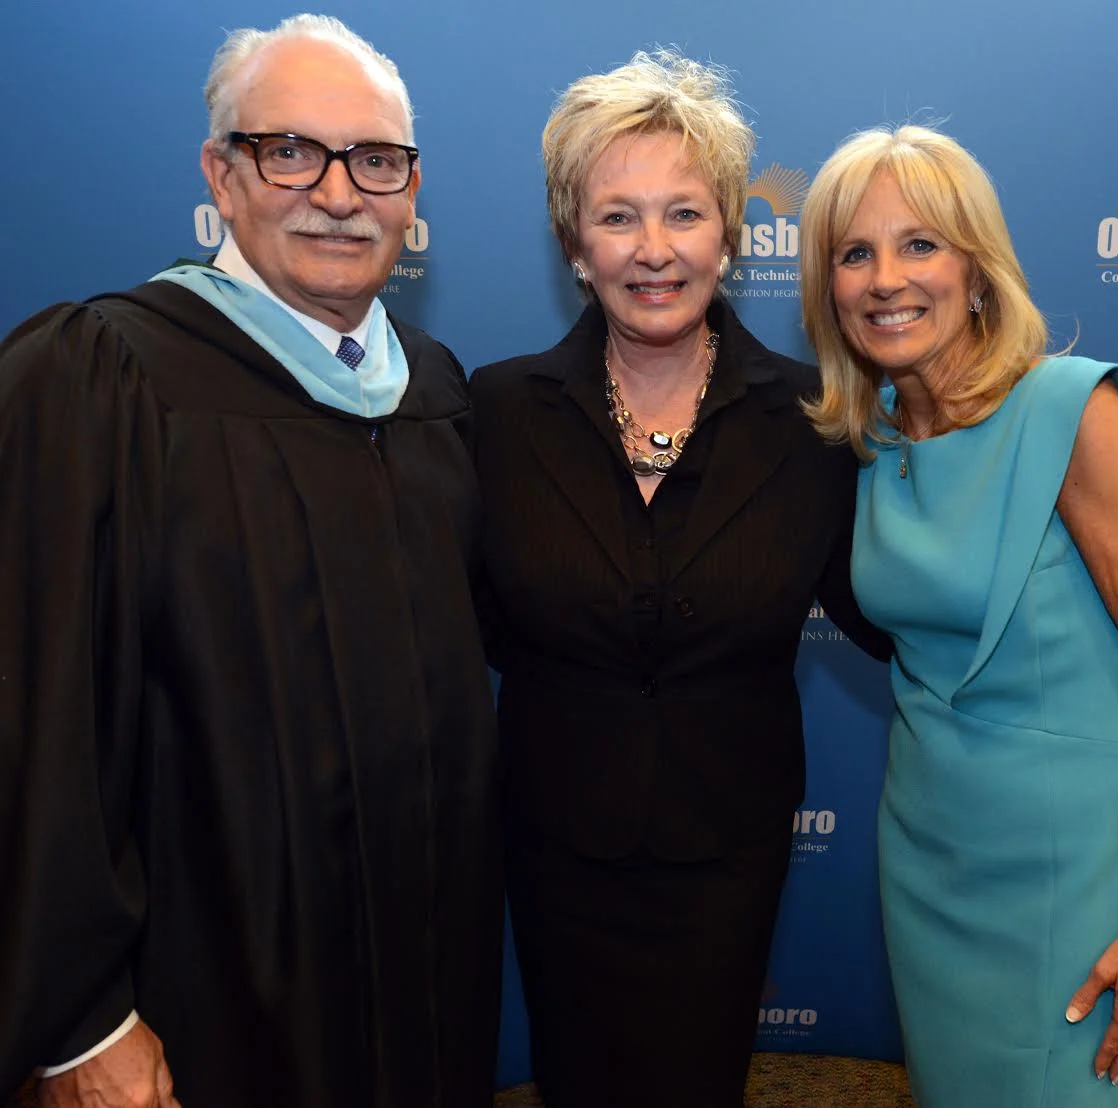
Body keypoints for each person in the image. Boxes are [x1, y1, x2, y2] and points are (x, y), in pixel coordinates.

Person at [0, 15, 501, 1107]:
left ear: (411, 192)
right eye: (291, 152)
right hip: (203, 1003)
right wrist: (77, 1023)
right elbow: (35, 722)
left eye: (375, 161)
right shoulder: (102, 380)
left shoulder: (436, 393)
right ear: (221, 177)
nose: (337, 193)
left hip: (429, 981)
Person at [469, 51, 890, 1108]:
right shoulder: (493, 414)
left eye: (684, 214)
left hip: (726, 846)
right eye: (617, 218)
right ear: (573, 244)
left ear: (730, 235)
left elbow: (892, 614)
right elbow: (462, 621)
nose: (652, 251)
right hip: (557, 839)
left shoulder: (815, 422)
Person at [799, 125, 1118, 1107]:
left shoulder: (1072, 410)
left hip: (1070, 872)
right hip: (929, 860)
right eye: (854, 252)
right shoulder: (871, 438)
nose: (885, 278)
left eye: (919, 244)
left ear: (975, 269)